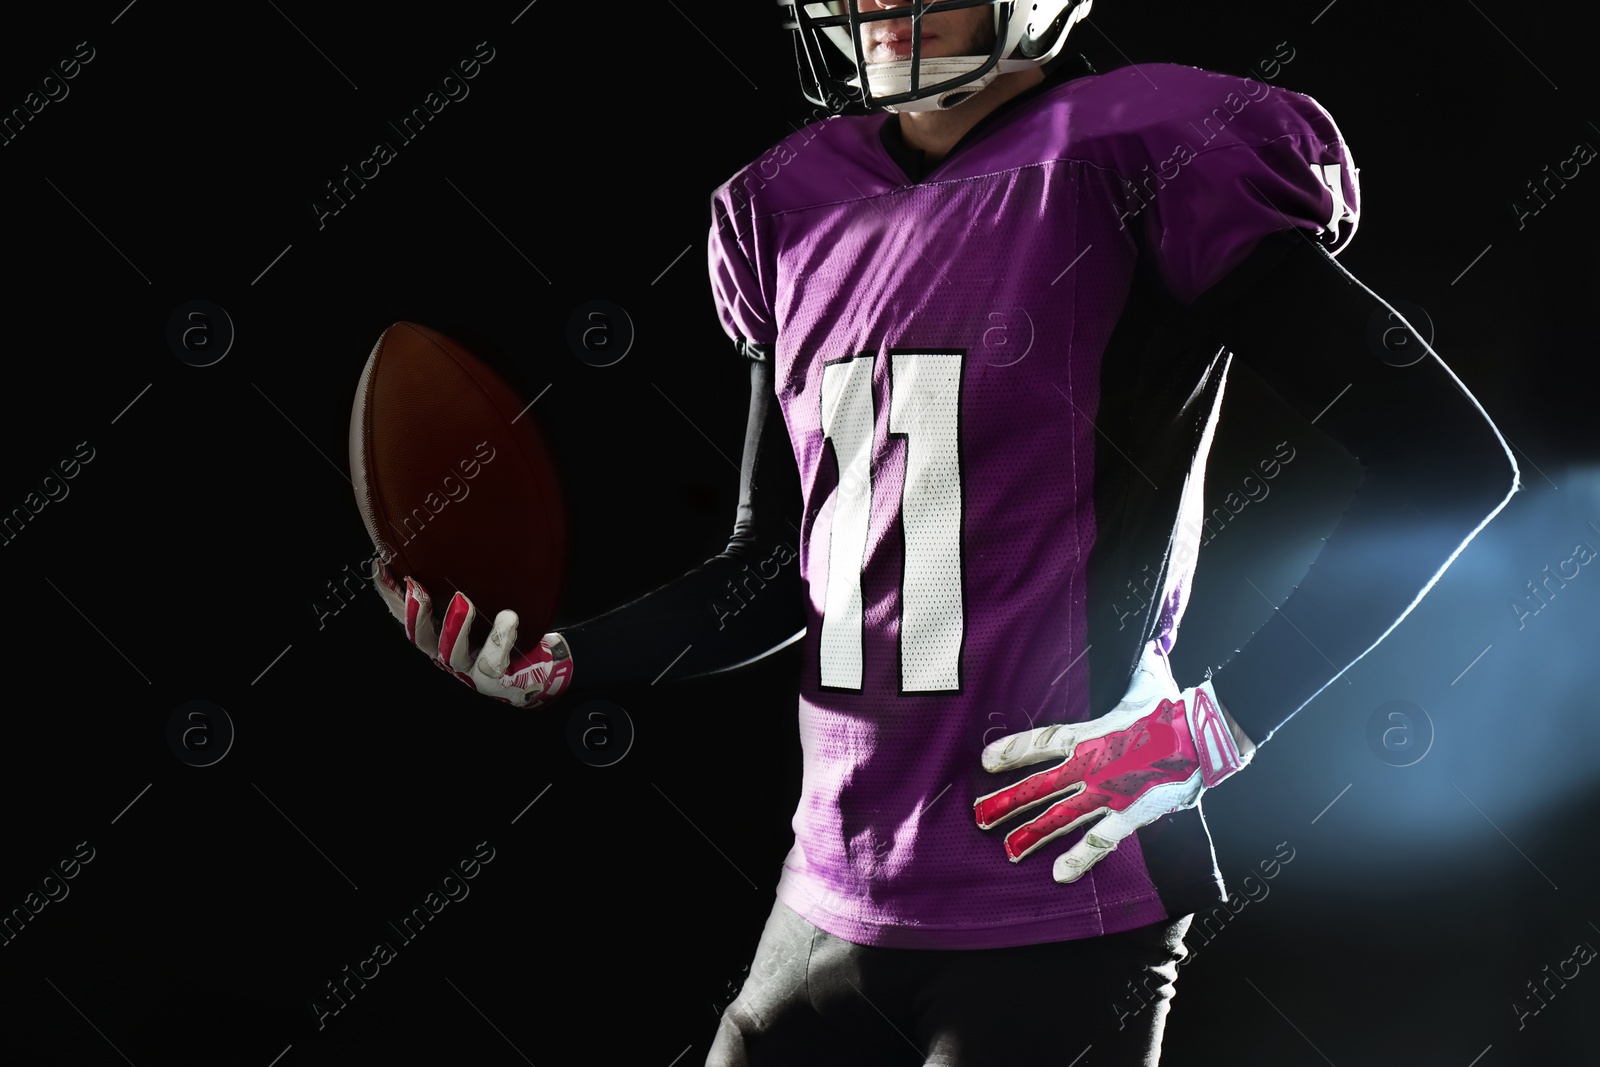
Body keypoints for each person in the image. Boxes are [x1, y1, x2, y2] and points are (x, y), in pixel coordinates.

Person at [371, 2, 1519, 1062]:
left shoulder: (1142, 153)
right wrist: (574, 653)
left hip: (1056, 904)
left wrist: (1209, 726)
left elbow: (1446, 458)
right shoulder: (787, 203)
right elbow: (781, 562)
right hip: (822, 898)